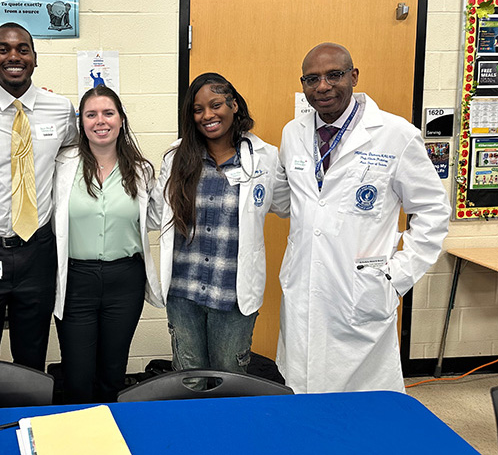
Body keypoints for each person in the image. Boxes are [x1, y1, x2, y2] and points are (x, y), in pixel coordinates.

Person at [276, 43, 451, 393]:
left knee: (361, 403)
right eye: (312, 79)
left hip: (361, 292)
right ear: (303, 84)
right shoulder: (292, 134)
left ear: (353, 76)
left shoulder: (395, 135)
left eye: (334, 75)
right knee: (301, 392)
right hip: (303, 287)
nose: (322, 86)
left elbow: (433, 210)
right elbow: (290, 201)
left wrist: (396, 276)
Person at [0, 23, 77, 371]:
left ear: (34, 58)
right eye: (3, 49)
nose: (13, 56)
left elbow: (71, 160)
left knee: (32, 352)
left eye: (23, 49)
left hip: (37, 249)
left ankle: (27, 419)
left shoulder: (60, 109)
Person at [150, 72, 289, 376]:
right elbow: (155, 212)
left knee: (229, 378)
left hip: (232, 294)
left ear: (234, 105)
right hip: (183, 292)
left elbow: (288, 204)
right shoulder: (176, 158)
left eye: (216, 105)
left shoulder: (265, 158)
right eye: (198, 110)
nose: (207, 115)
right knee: (190, 378)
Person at [53, 86, 161, 403]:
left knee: (113, 372)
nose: (101, 121)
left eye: (108, 113)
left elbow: (154, 218)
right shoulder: (62, 164)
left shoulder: (141, 170)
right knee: (77, 374)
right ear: (81, 122)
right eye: (91, 114)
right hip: (76, 281)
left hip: (124, 281)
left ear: (121, 119)